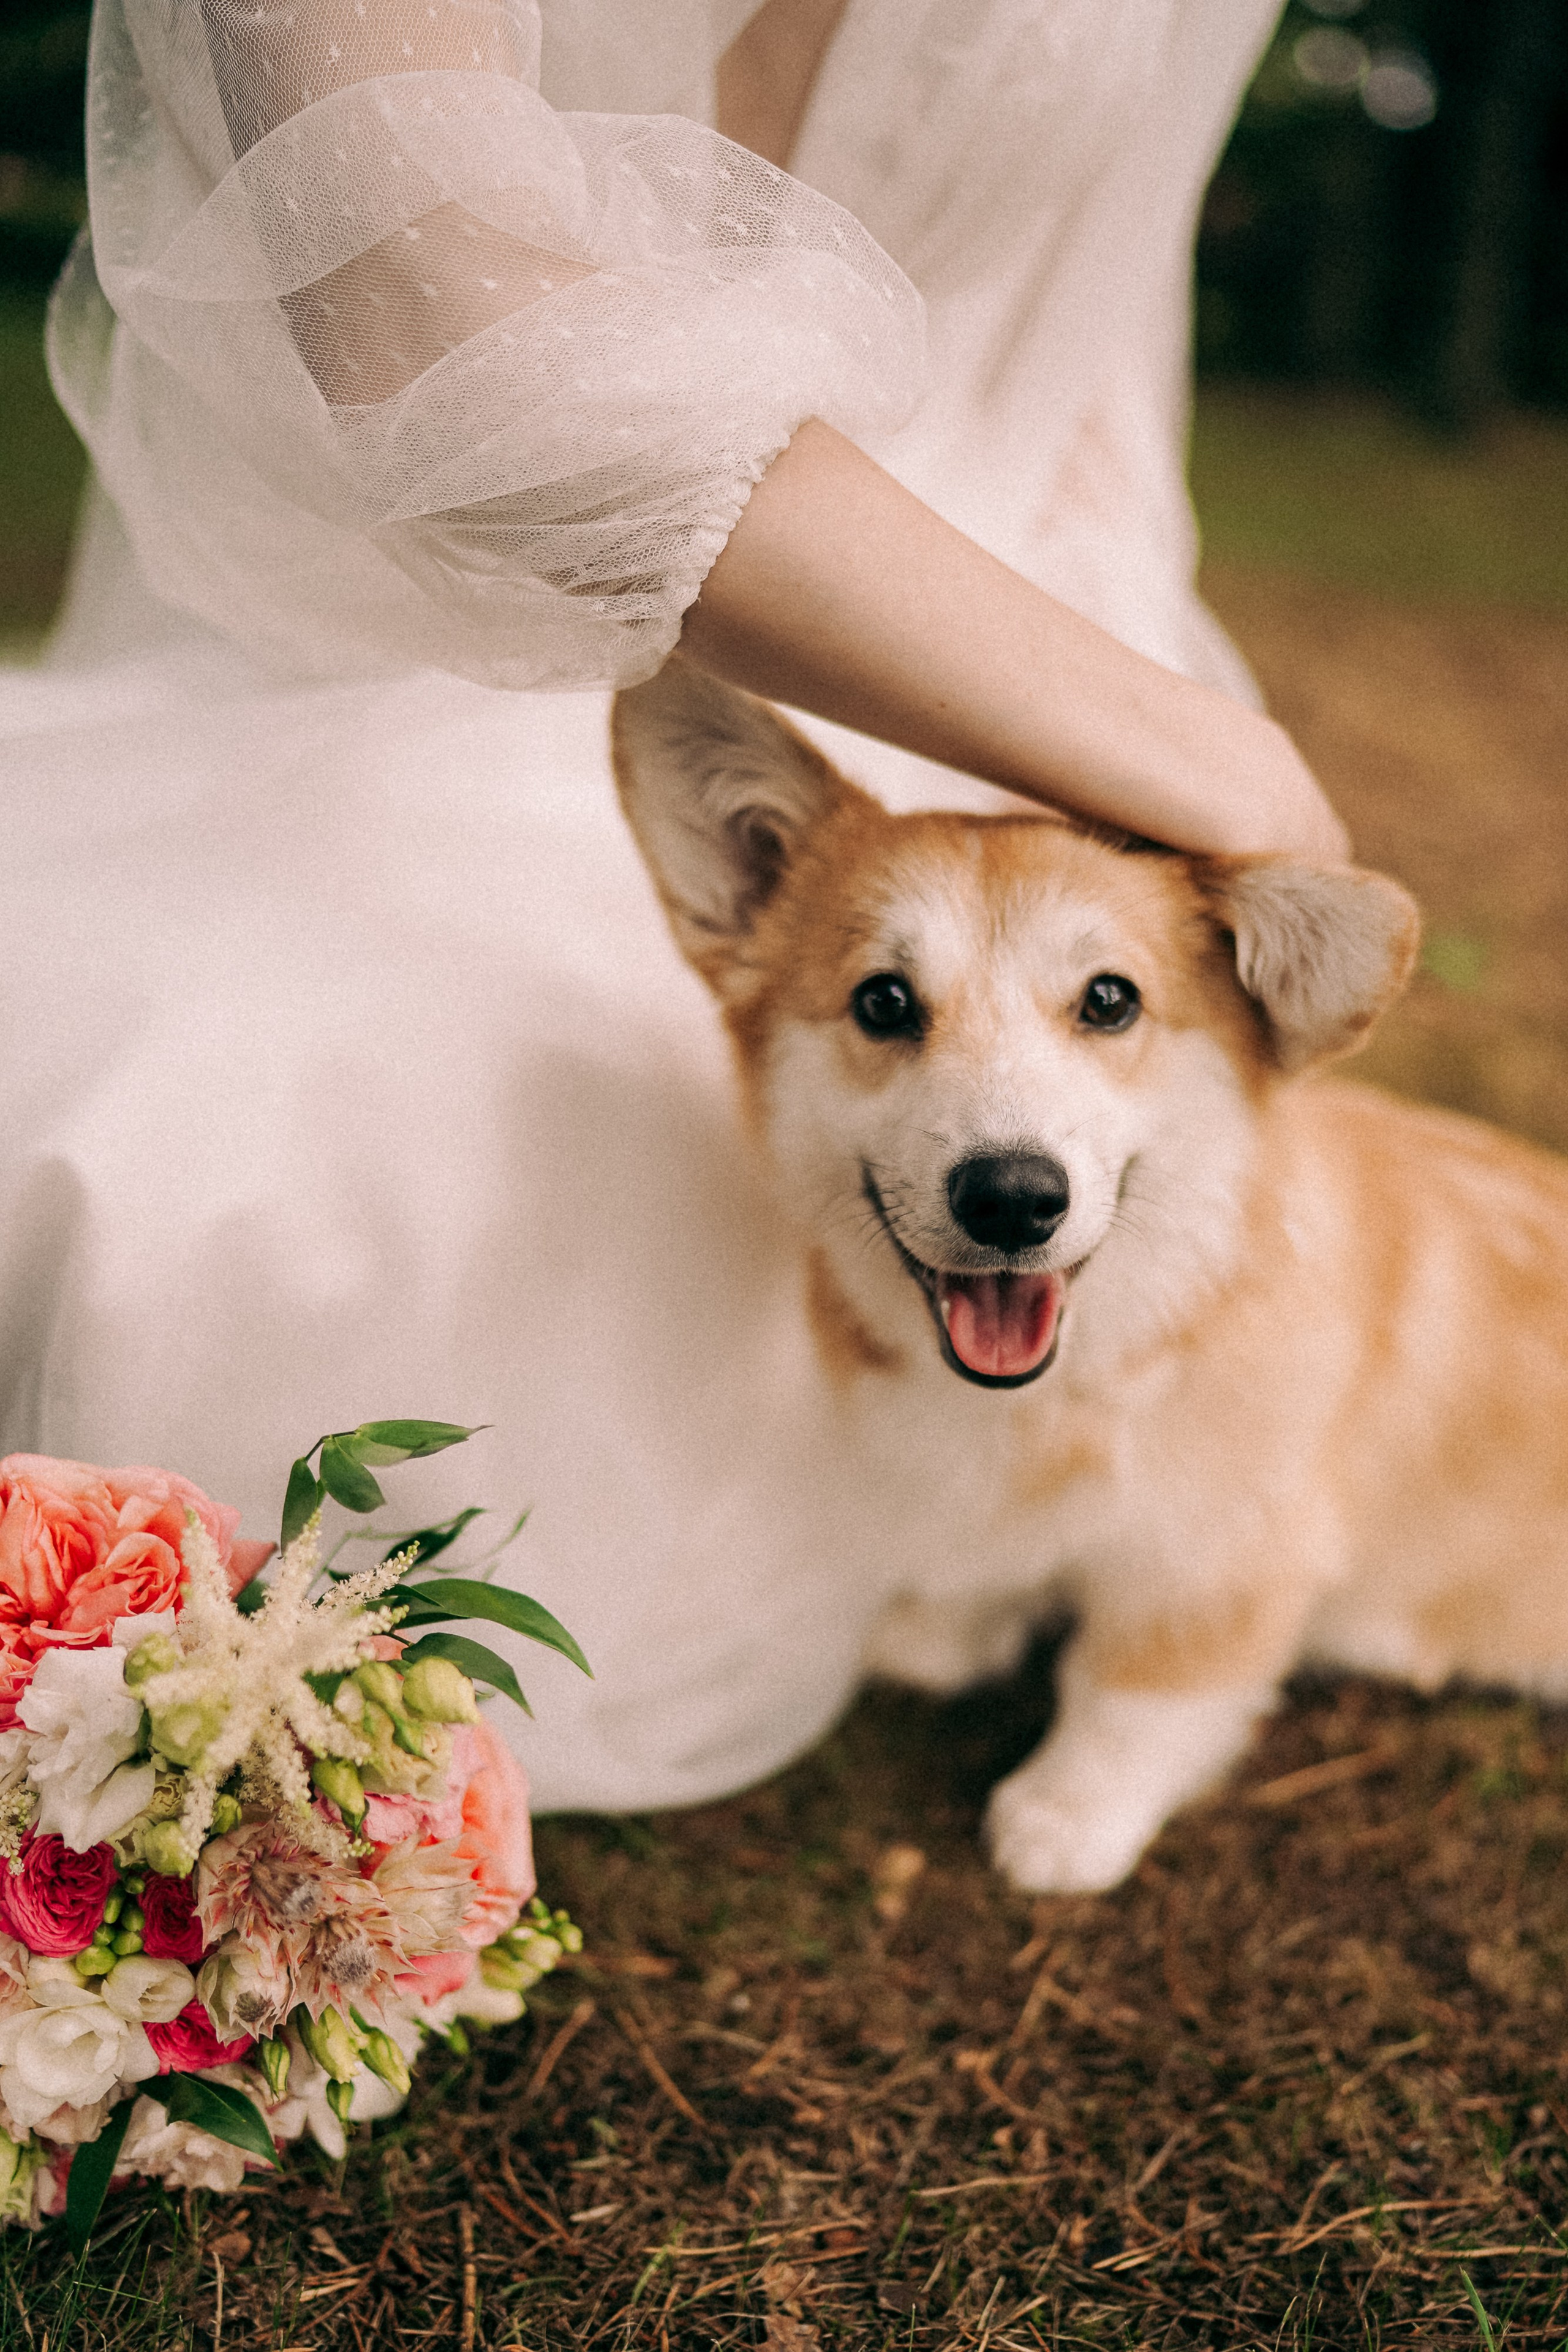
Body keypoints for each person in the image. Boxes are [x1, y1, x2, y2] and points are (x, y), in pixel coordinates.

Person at [0, 0, 1341, 1810]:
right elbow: (435, 321)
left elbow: (1087, 322)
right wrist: (1222, 771)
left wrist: (1130, 712)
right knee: (307, 1156)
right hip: (418, 603)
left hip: (1001, 623)